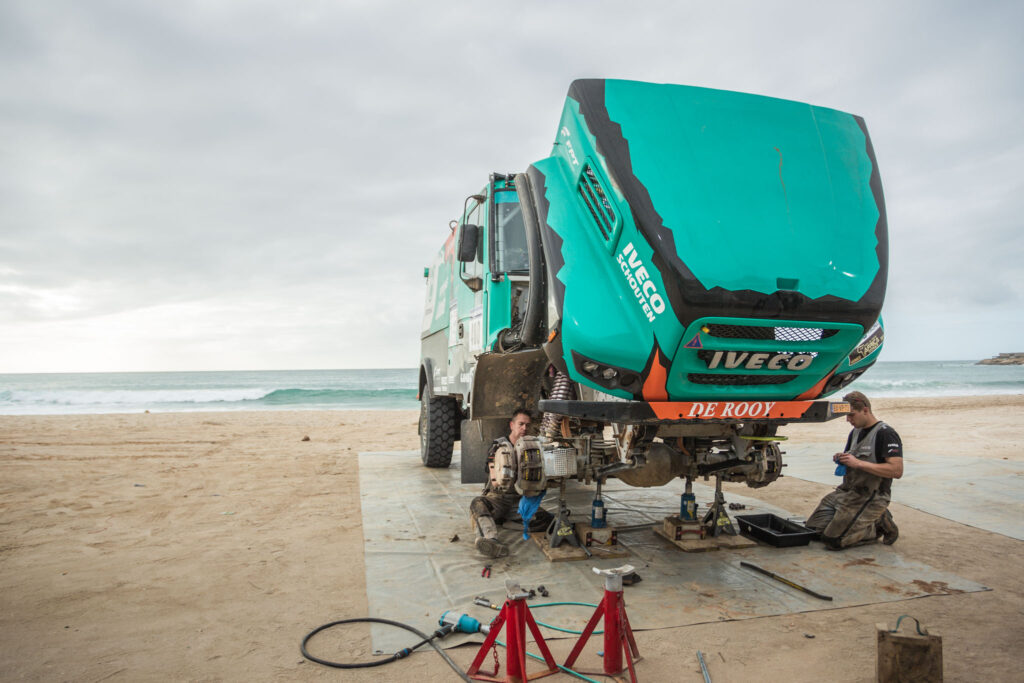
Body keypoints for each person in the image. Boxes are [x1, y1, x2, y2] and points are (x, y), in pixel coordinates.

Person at [805, 391, 902, 549]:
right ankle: (870, 519)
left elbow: (896, 470)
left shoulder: (886, 434)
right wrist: (842, 458)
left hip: (870, 496)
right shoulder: (855, 432)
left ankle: (878, 524)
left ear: (865, 410)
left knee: (833, 541)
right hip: (846, 492)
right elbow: (852, 456)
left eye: (851, 415)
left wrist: (858, 464)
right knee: (813, 532)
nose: (848, 420)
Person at [469, 409, 553, 558]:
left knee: (549, 520)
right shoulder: (498, 446)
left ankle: (508, 522)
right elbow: (494, 479)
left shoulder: (532, 448)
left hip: (520, 501)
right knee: (478, 504)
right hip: (498, 499)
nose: (524, 428)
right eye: (521, 424)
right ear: (512, 425)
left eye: (527, 425)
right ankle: (491, 539)